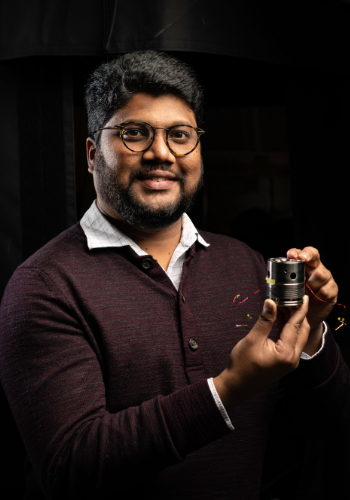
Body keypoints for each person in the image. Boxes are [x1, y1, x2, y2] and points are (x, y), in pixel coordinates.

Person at [0, 50, 348, 500]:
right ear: (91, 155)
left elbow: (328, 421)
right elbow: (70, 468)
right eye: (134, 133)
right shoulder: (43, 286)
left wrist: (314, 333)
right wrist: (226, 390)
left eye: (180, 135)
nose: (160, 153)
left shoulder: (246, 264)